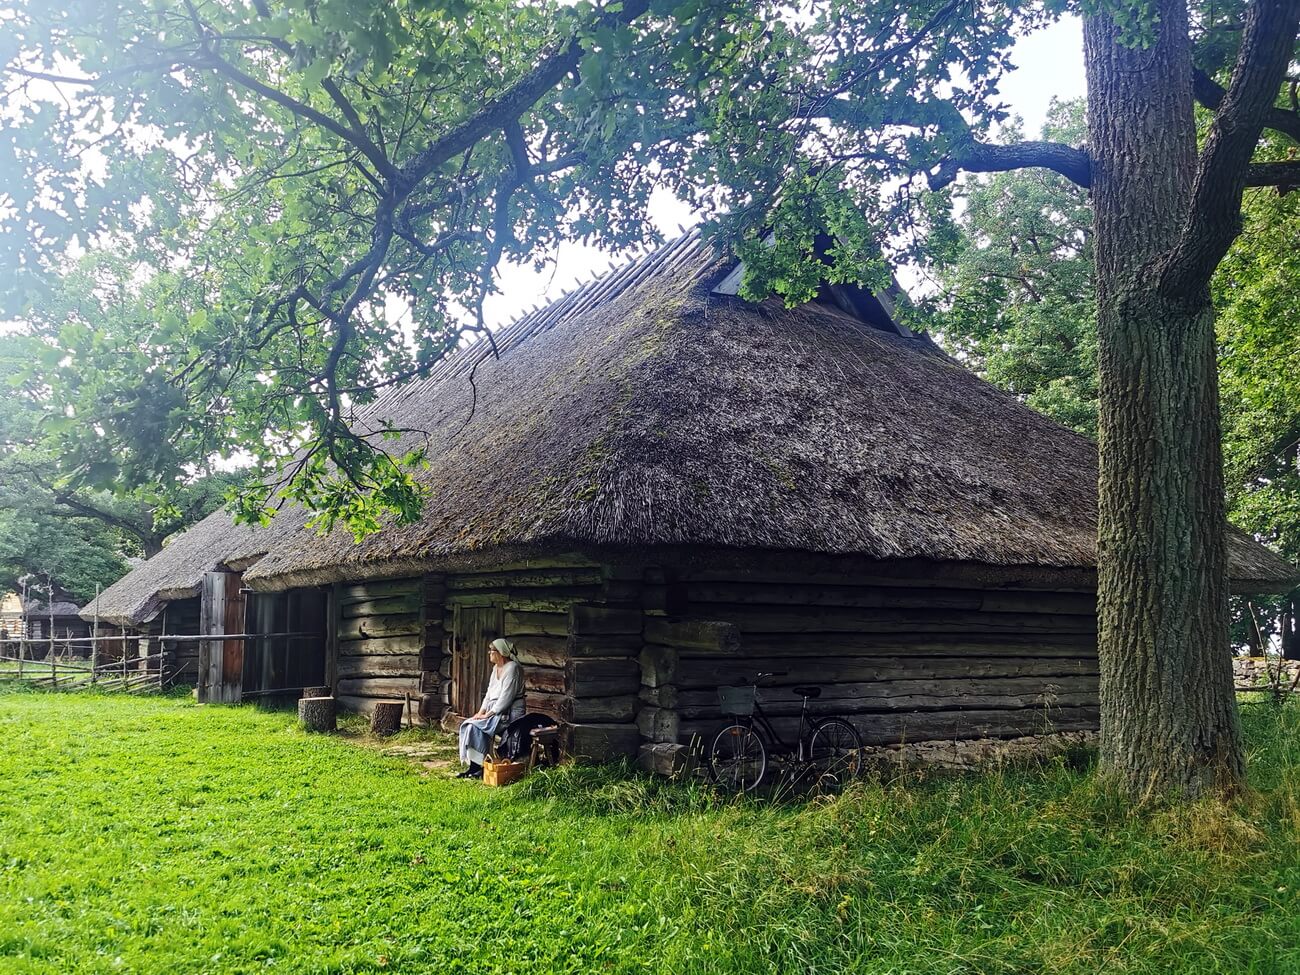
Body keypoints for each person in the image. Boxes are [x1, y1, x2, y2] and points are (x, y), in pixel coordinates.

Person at [455, 637, 525, 779]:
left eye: (492, 650)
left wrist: (487, 715)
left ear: (501, 652)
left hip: (508, 713)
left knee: (476, 727)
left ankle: (479, 768)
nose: (489, 653)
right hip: (495, 711)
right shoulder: (496, 668)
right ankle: (475, 768)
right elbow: (489, 693)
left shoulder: (512, 668)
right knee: (470, 726)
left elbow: (506, 698)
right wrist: (480, 712)